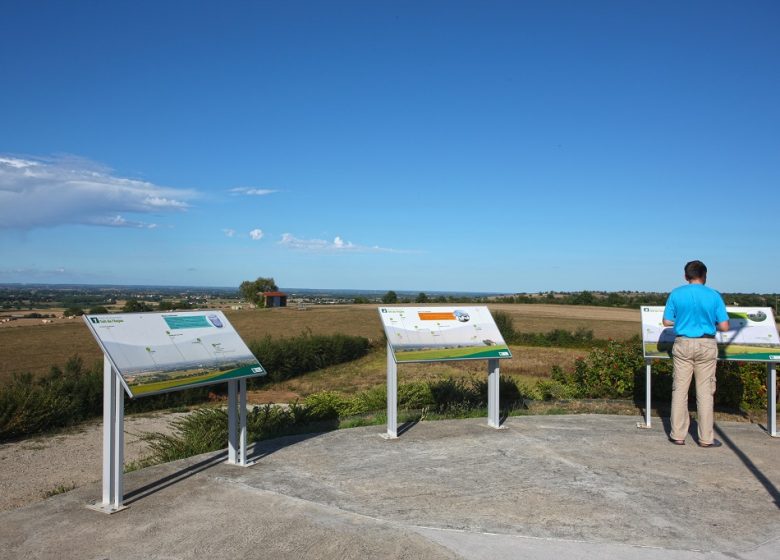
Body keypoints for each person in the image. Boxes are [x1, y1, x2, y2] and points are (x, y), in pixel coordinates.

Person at [662, 260, 730, 447]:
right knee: (706, 392)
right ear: (704, 275)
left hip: (683, 343)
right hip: (706, 344)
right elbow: (724, 326)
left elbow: (667, 321)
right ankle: (706, 438)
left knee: (680, 390)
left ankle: (677, 434)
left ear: (686, 276)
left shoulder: (676, 294)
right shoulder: (714, 295)